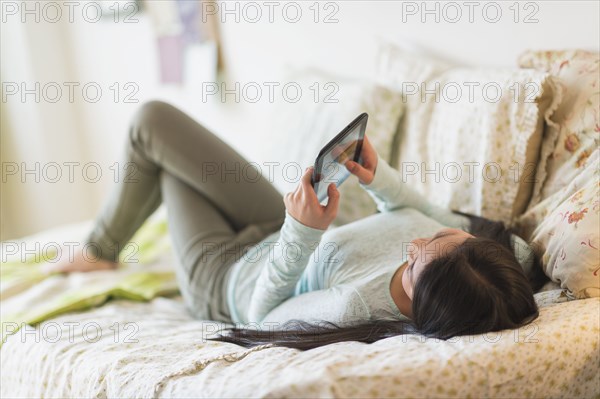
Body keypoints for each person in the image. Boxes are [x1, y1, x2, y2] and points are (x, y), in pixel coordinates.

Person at [48, 101, 546, 351]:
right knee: (156, 120)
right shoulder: (486, 267)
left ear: (424, 304)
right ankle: (106, 243)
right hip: (273, 225)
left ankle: (101, 249)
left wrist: (302, 232)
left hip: (227, 278)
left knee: (152, 144)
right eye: (443, 236)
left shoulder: (353, 304)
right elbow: (431, 223)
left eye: (415, 262)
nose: (414, 241)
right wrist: (381, 181)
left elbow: (262, 315)